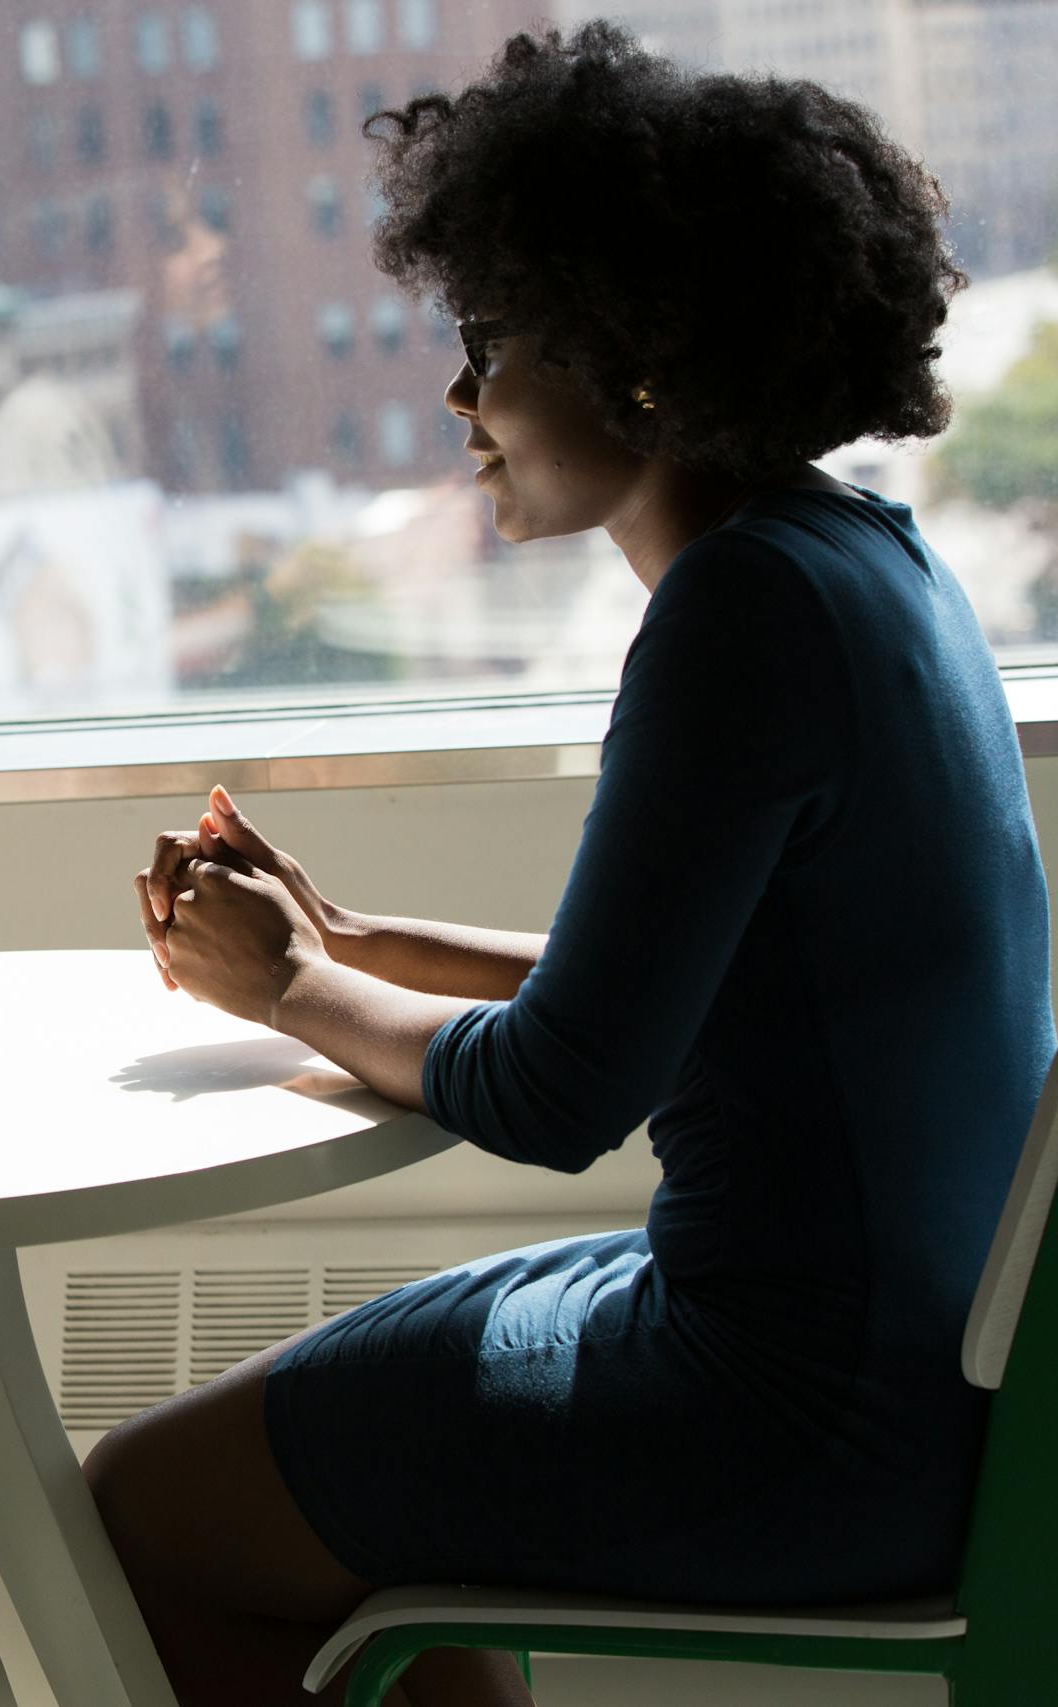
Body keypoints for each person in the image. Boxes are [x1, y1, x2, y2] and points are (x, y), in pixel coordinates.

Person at [87, 23, 1054, 1707]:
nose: (462, 397)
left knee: (129, 1511)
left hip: (802, 1421)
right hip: (938, 1385)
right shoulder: (866, 564)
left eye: (492, 338)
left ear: (638, 361)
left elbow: (559, 1094)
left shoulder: (738, 619)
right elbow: (698, 986)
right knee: (359, 1444)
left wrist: (294, 986)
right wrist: (361, 938)